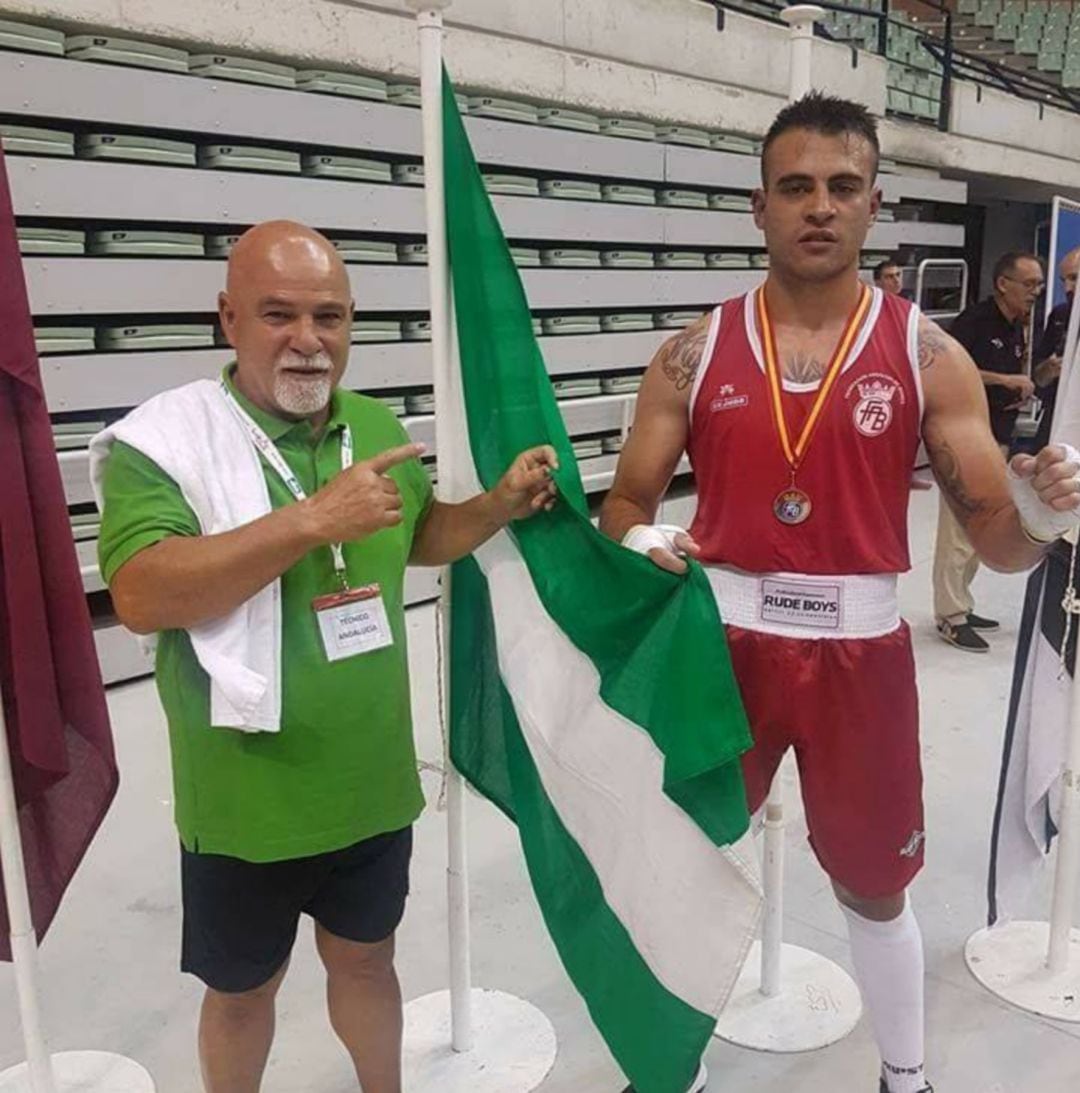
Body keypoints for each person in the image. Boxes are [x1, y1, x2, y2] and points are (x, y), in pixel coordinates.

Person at [600, 93, 1080, 1093]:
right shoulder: (693, 352)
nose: (820, 205)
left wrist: (1040, 516)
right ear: (759, 208)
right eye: (796, 187)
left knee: (871, 884)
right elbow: (627, 505)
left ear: (874, 206)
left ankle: (905, 1079)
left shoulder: (926, 354)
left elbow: (996, 543)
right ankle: (666, 1074)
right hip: (718, 644)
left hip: (859, 652)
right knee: (677, 871)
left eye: (842, 187)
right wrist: (641, 537)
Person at [89, 221, 557, 1093]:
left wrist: (493, 505)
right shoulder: (166, 444)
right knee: (241, 993)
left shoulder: (377, 426)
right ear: (227, 318)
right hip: (244, 800)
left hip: (371, 785)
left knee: (369, 962)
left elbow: (419, 537)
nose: (308, 341)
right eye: (278, 315)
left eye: (330, 317)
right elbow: (143, 593)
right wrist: (312, 520)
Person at [931, 250, 1043, 651]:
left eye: (1039, 285)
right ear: (1003, 283)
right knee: (959, 530)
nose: (1036, 292)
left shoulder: (1019, 326)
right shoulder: (974, 322)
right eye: (1029, 284)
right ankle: (950, 614)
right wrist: (1003, 379)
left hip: (998, 434)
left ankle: (963, 602)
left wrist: (1021, 385)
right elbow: (949, 371)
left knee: (984, 527)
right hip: (965, 441)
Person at [1030, 245, 1080, 451]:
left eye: (1075, 278)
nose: (1068, 288)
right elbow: (1038, 377)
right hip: (1057, 411)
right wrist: (1048, 370)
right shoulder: (1059, 316)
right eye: (1064, 280)